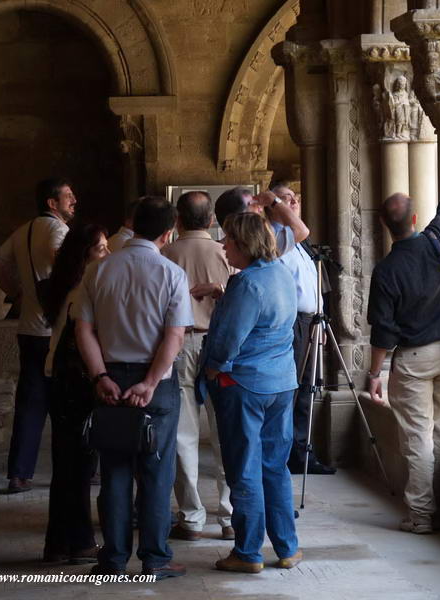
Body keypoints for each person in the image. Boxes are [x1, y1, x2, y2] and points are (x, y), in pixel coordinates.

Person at [74, 196, 193, 580]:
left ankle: (113, 559)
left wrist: (100, 377)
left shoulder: (99, 270)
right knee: (157, 473)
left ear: (131, 224)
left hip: (110, 378)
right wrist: (150, 382)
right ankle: (155, 558)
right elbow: (174, 337)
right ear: (168, 231)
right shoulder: (171, 273)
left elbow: (84, 330)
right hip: (154, 382)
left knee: (114, 473)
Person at [366, 160, 440, 535]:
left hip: (412, 360)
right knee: (438, 433)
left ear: (385, 226)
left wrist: (375, 374)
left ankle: (422, 515)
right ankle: (434, 507)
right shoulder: (436, 240)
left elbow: (383, 332)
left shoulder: (386, 271)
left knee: (417, 438)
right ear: (414, 220)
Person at [203, 212, 302, 573]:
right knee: (274, 467)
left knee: (244, 468)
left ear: (244, 243)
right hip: (281, 381)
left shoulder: (246, 282)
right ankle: (287, 547)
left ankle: (247, 552)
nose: (223, 245)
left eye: (228, 239)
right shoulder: (281, 273)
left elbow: (230, 339)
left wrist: (213, 367)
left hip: (245, 384)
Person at [0, 177, 76, 493]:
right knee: (68, 403)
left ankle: (19, 473)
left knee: (30, 403)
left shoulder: (23, 230)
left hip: (28, 328)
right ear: (52, 203)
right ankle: (77, 469)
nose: (73, 200)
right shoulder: (57, 229)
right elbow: (60, 260)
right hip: (56, 330)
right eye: (67, 196)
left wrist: (17, 292)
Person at [161, 191, 235, 541]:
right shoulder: (228, 253)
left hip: (179, 344)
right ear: (211, 220)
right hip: (220, 345)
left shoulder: (166, 254)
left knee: (183, 433)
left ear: (178, 219)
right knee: (226, 433)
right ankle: (231, 515)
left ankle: (190, 517)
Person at [41, 223, 109, 564]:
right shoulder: (82, 290)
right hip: (76, 383)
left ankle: (57, 544)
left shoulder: (63, 285)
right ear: (85, 256)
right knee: (80, 466)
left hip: (58, 380)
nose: (107, 255)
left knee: (67, 465)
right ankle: (80, 542)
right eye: (101, 249)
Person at [270, 182, 335, 475]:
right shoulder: (276, 238)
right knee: (293, 391)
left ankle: (301, 453)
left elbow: (311, 286)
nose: (294, 203)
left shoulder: (299, 245)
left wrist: (319, 320)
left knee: (307, 389)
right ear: (274, 205)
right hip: (293, 322)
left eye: (296, 198)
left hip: (310, 322)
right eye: (286, 199)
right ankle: (285, 454)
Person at [214, 186, 309, 254]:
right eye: (252, 203)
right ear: (240, 216)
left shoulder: (222, 247)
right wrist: (274, 201)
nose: (260, 207)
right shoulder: (260, 242)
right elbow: (301, 231)